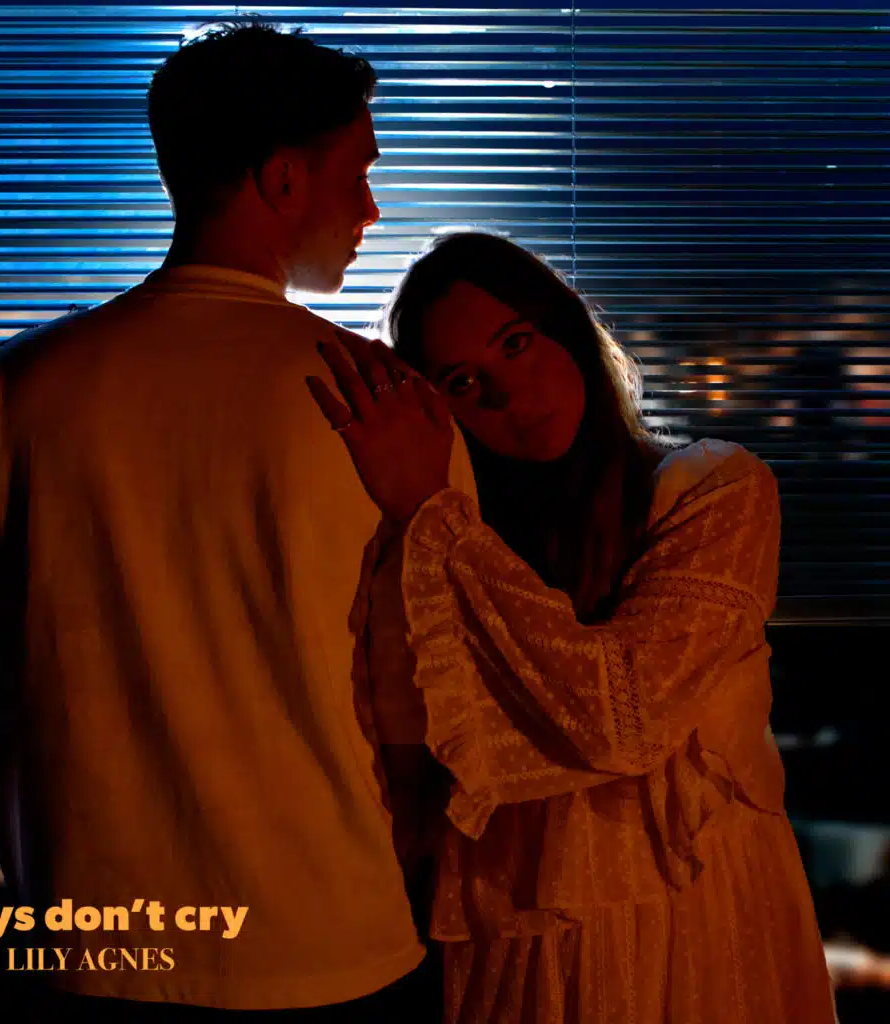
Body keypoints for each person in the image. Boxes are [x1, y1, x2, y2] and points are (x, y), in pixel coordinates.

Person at [0, 23, 473, 1021]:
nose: (371, 208)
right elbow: (436, 698)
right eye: (358, 173)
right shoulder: (383, 403)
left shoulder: (20, 386)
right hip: (327, 936)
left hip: (91, 939)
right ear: (282, 180)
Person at [307, 231, 839, 1023]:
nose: (507, 394)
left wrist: (433, 513)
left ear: (565, 328)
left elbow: (624, 720)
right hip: (514, 914)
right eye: (463, 382)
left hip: (696, 913)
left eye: (516, 343)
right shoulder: (447, 557)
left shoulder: (714, 489)